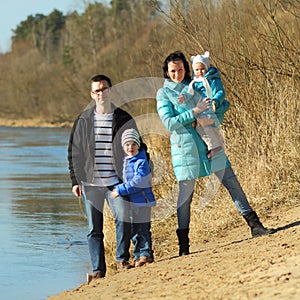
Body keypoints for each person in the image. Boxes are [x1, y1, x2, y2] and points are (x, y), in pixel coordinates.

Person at [156, 50, 275, 256]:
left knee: (232, 183)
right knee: (185, 198)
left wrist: (215, 113)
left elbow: (213, 111)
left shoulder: (198, 85)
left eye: (181, 69)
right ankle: (183, 246)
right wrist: (193, 113)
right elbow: (169, 123)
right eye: (173, 71)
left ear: (186, 68)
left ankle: (255, 226)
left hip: (211, 144)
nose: (177, 74)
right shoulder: (163, 94)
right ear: (167, 72)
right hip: (186, 150)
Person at [68, 74, 150, 282]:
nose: (101, 93)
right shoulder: (84, 119)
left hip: (117, 182)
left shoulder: (123, 117)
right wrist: (75, 181)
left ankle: (122, 261)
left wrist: (140, 172)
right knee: (93, 229)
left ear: (110, 91)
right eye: (97, 90)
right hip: (90, 183)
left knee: (123, 218)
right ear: (92, 94)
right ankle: (98, 271)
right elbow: (74, 153)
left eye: (104, 89)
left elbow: (139, 146)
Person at [110, 128, 156, 267]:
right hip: (133, 202)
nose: (130, 147)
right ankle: (137, 256)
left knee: (142, 228)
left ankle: (145, 254)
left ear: (138, 145)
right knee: (135, 230)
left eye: (133, 144)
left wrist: (119, 190)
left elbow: (139, 182)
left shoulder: (141, 161)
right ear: (123, 147)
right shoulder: (126, 161)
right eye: (127, 145)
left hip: (142, 200)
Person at [178, 51, 229, 158]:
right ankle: (216, 148)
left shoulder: (212, 80)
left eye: (202, 69)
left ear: (207, 67)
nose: (200, 72)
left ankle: (215, 147)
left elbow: (220, 92)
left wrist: (216, 100)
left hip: (213, 107)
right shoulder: (194, 83)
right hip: (203, 109)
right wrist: (184, 96)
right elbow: (189, 92)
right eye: (197, 70)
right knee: (203, 128)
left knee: (203, 126)